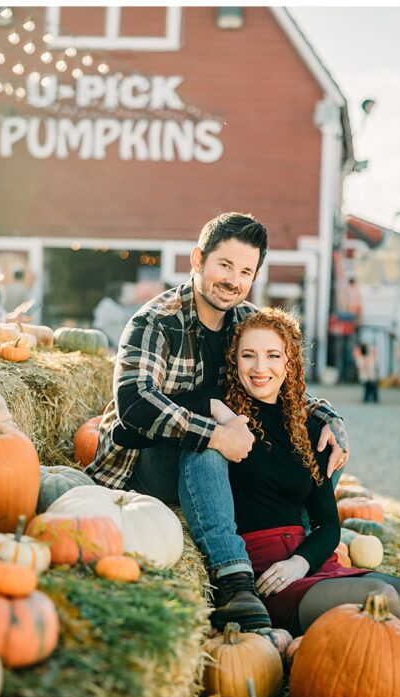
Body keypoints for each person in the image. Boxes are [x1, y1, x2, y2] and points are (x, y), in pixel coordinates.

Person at [85, 212, 349, 632]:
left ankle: (301, 547)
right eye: (225, 265)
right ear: (198, 260)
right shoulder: (156, 321)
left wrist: (329, 421)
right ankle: (234, 580)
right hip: (143, 467)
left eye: (245, 271)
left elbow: (282, 385)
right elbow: (133, 402)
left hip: (222, 463)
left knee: (312, 441)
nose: (233, 280)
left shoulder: (248, 321)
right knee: (208, 445)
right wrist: (215, 434)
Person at [219, 308, 400, 697]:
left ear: (290, 362)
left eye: (273, 355)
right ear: (234, 360)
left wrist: (302, 561)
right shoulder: (225, 422)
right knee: (382, 597)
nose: (259, 367)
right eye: (248, 355)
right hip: (270, 575)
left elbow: (329, 526)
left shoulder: (309, 427)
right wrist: (217, 409)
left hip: (310, 563)